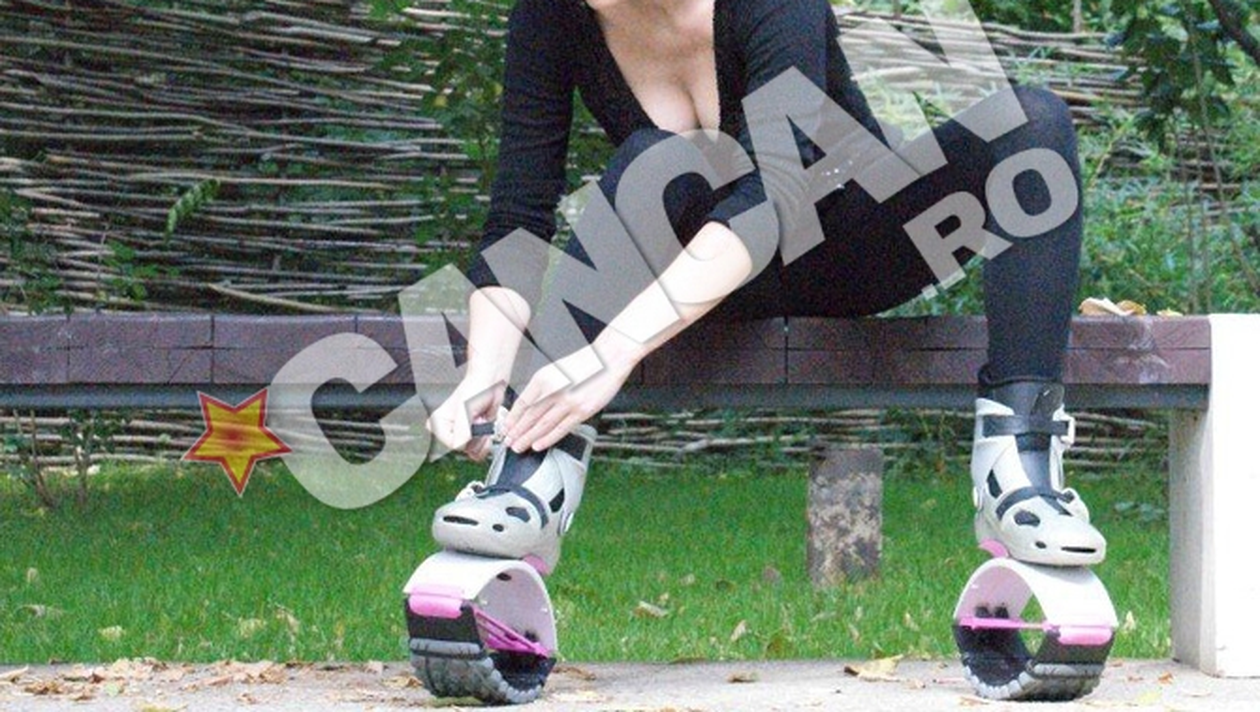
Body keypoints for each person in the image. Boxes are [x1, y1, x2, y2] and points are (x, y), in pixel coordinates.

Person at [425, 0, 1106, 575]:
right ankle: (527, 473)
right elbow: (518, 216)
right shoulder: (550, 14)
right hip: (703, 283)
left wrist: (613, 351)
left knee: (1033, 122)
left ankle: (1020, 471)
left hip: (849, 250)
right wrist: (484, 373)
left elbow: (775, 196)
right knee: (655, 162)